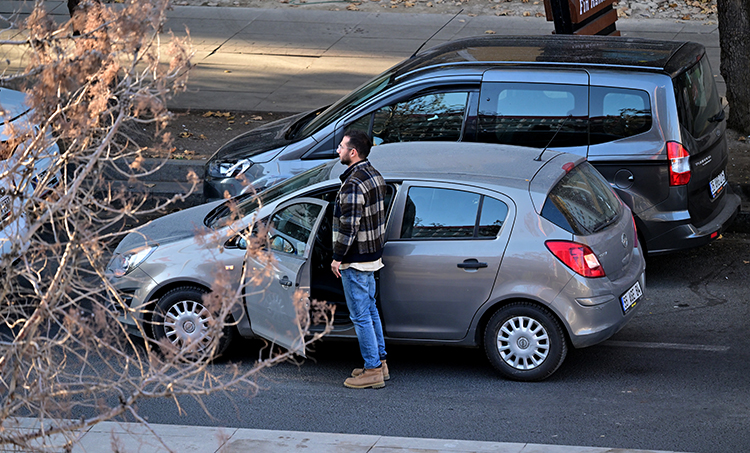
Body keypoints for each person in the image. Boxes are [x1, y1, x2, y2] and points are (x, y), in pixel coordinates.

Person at [331, 130, 389, 389]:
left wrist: (336, 258)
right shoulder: (374, 174)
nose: (338, 151)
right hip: (372, 255)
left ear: (353, 152)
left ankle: (372, 369)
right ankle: (380, 362)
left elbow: (349, 226)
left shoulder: (354, 184)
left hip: (355, 259)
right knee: (371, 309)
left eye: (341, 147)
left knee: (360, 316)